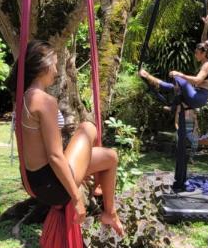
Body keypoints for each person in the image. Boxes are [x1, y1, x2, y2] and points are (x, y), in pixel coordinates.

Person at [8, 40, 123, 235]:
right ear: (43, 66)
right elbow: (54, 156)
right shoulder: (45, 101)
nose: (56, 70)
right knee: (88, 127)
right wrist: (77, 199)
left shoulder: (24, 98)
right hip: (53, 186)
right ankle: (96, 190)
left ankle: (108, 210)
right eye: (54, 64)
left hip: (36, 182)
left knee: (110, 157)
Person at [139, 16, 208, 110]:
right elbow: (203, 41)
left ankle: (174, 106)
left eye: (197, 53)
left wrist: (180, 74)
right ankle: (147, 75)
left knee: (178, 78)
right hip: (195, 94)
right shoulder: (204, 56)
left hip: (198, 97)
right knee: (173, 87)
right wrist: (206, 26)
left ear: (204, 53)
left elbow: (197, 80)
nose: (195, 55)